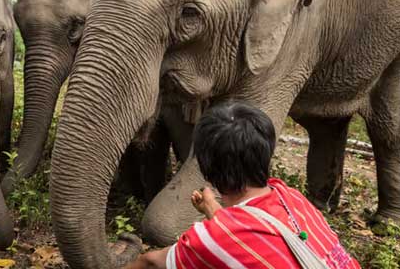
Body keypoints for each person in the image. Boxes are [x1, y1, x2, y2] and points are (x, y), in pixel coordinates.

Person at [125, 101, 360, 269]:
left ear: (207, 168)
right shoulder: (291, 196)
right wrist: (212, 210)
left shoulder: (212, 237)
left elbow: (151, 263)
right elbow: (252, 236)